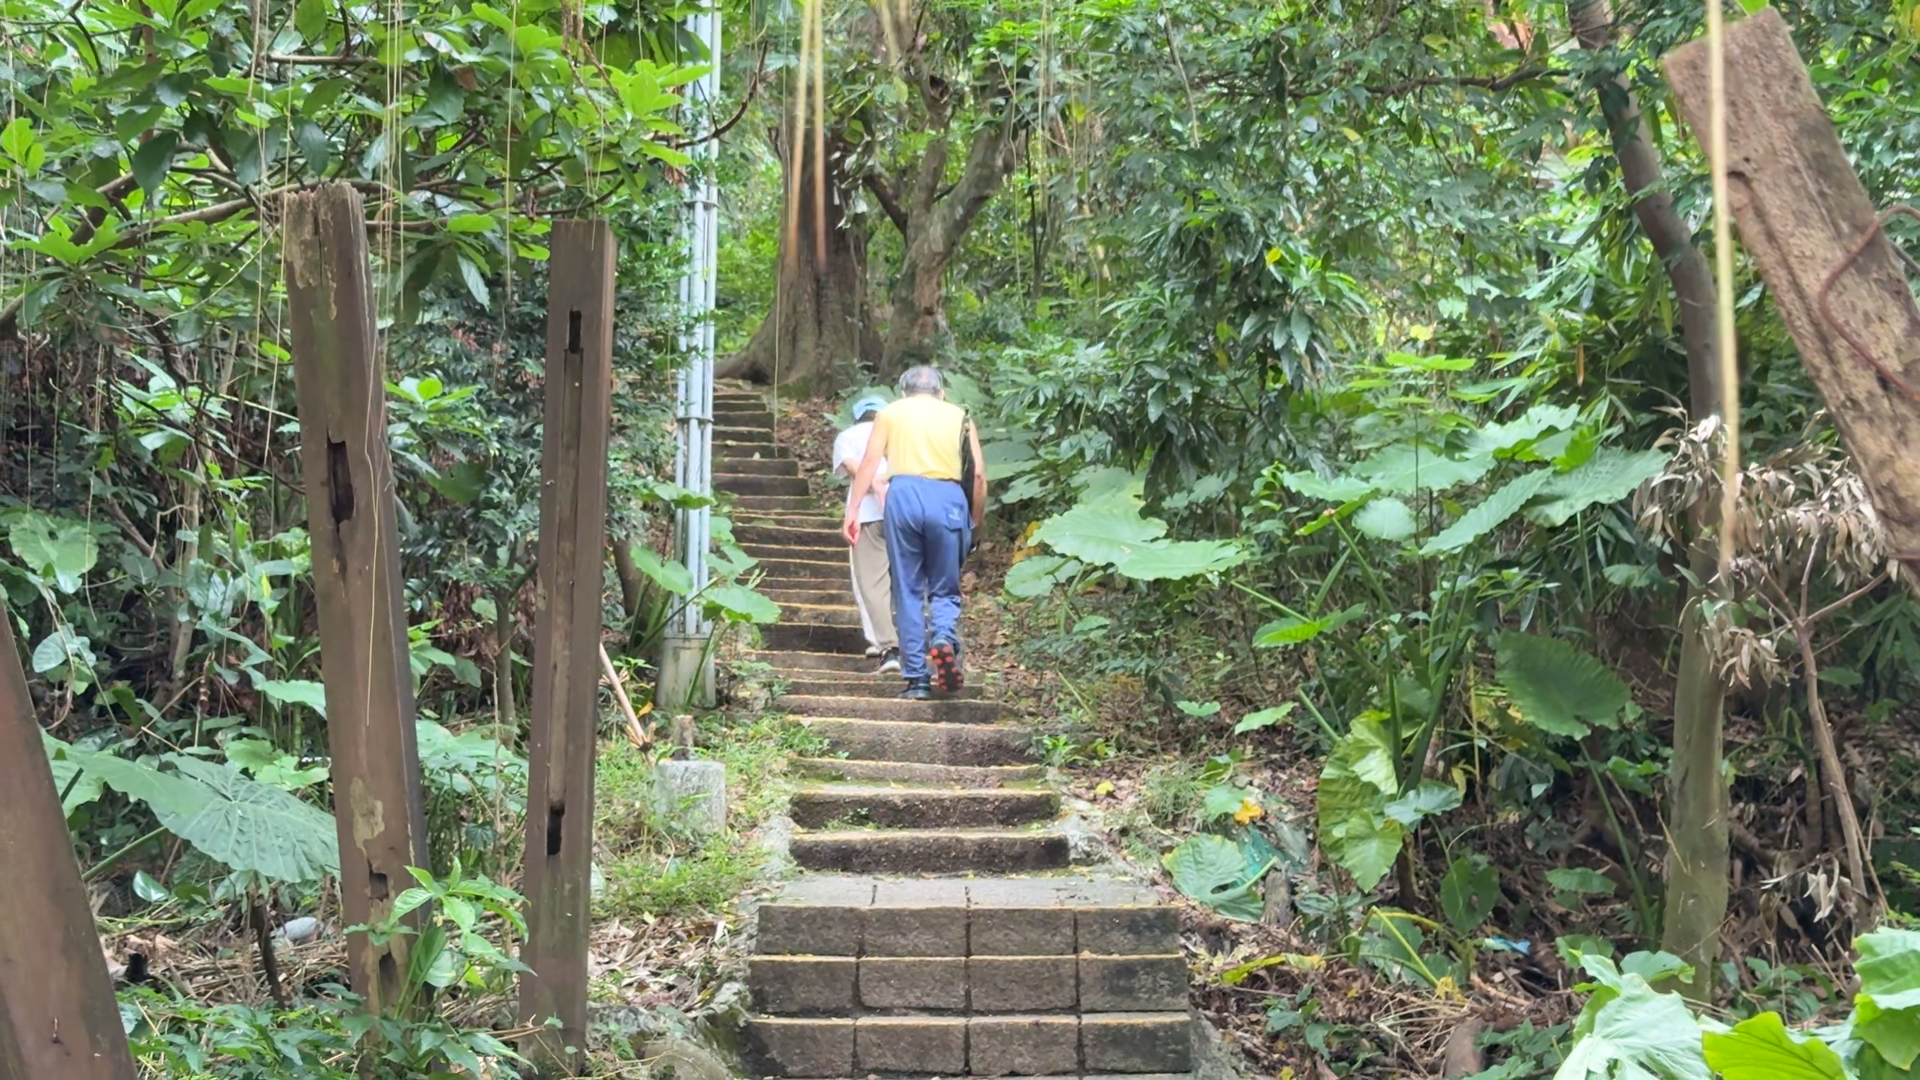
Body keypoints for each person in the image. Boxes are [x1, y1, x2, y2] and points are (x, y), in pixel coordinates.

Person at [843, 366, 987, 700]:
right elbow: (978, 475)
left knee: (906, 589)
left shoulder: (890, 413)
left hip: (902, 495)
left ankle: (917, 681)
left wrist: (852, 512)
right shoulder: (960, 416)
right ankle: (942, 637)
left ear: (904, 392)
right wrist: (974, 520)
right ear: (941, 392)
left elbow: (869, 463)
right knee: (945, 587)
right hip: (947, 497)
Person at [833, 394, 898, 673]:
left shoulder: (847, 436)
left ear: (858, 415)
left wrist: (871, 484)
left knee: (871, 583)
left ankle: (886, 645)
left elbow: (851, 466)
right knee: (905, 578)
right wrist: (884, 484)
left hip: (867, 517)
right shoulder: (898, 433)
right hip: (905, 513)